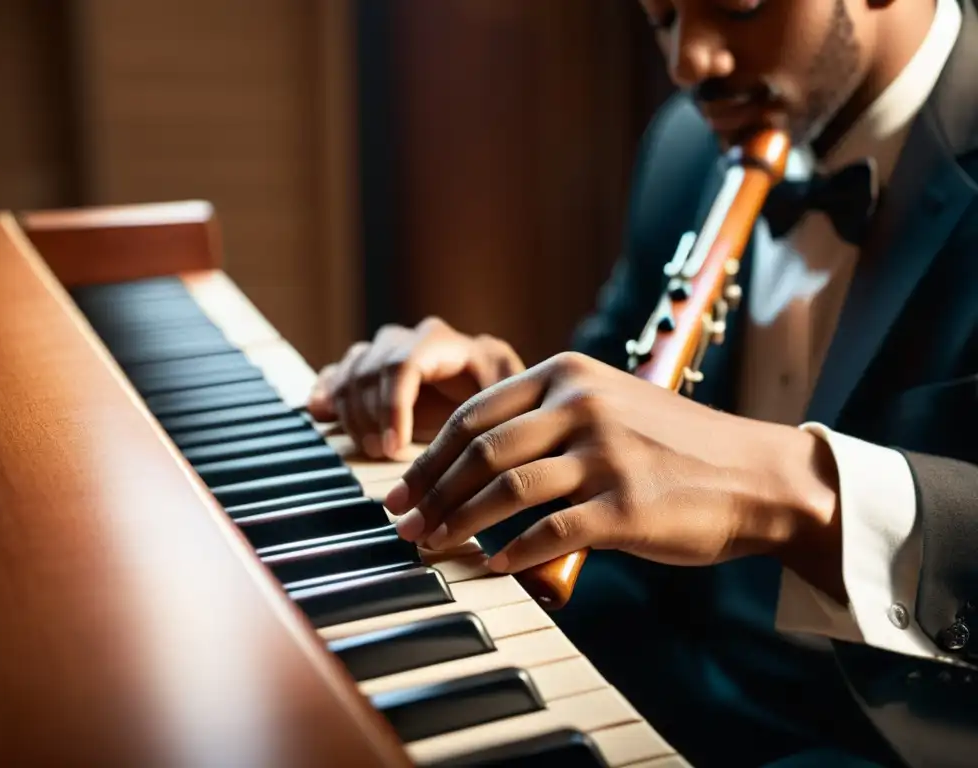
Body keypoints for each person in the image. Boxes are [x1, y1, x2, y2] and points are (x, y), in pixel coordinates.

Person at [308, 1, 978, 766]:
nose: (687, 61)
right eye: (660, 15)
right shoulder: (689, 144)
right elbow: (628, 428)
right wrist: (497, 415)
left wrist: (800, 489)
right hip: (672, 681)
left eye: (737, 6)